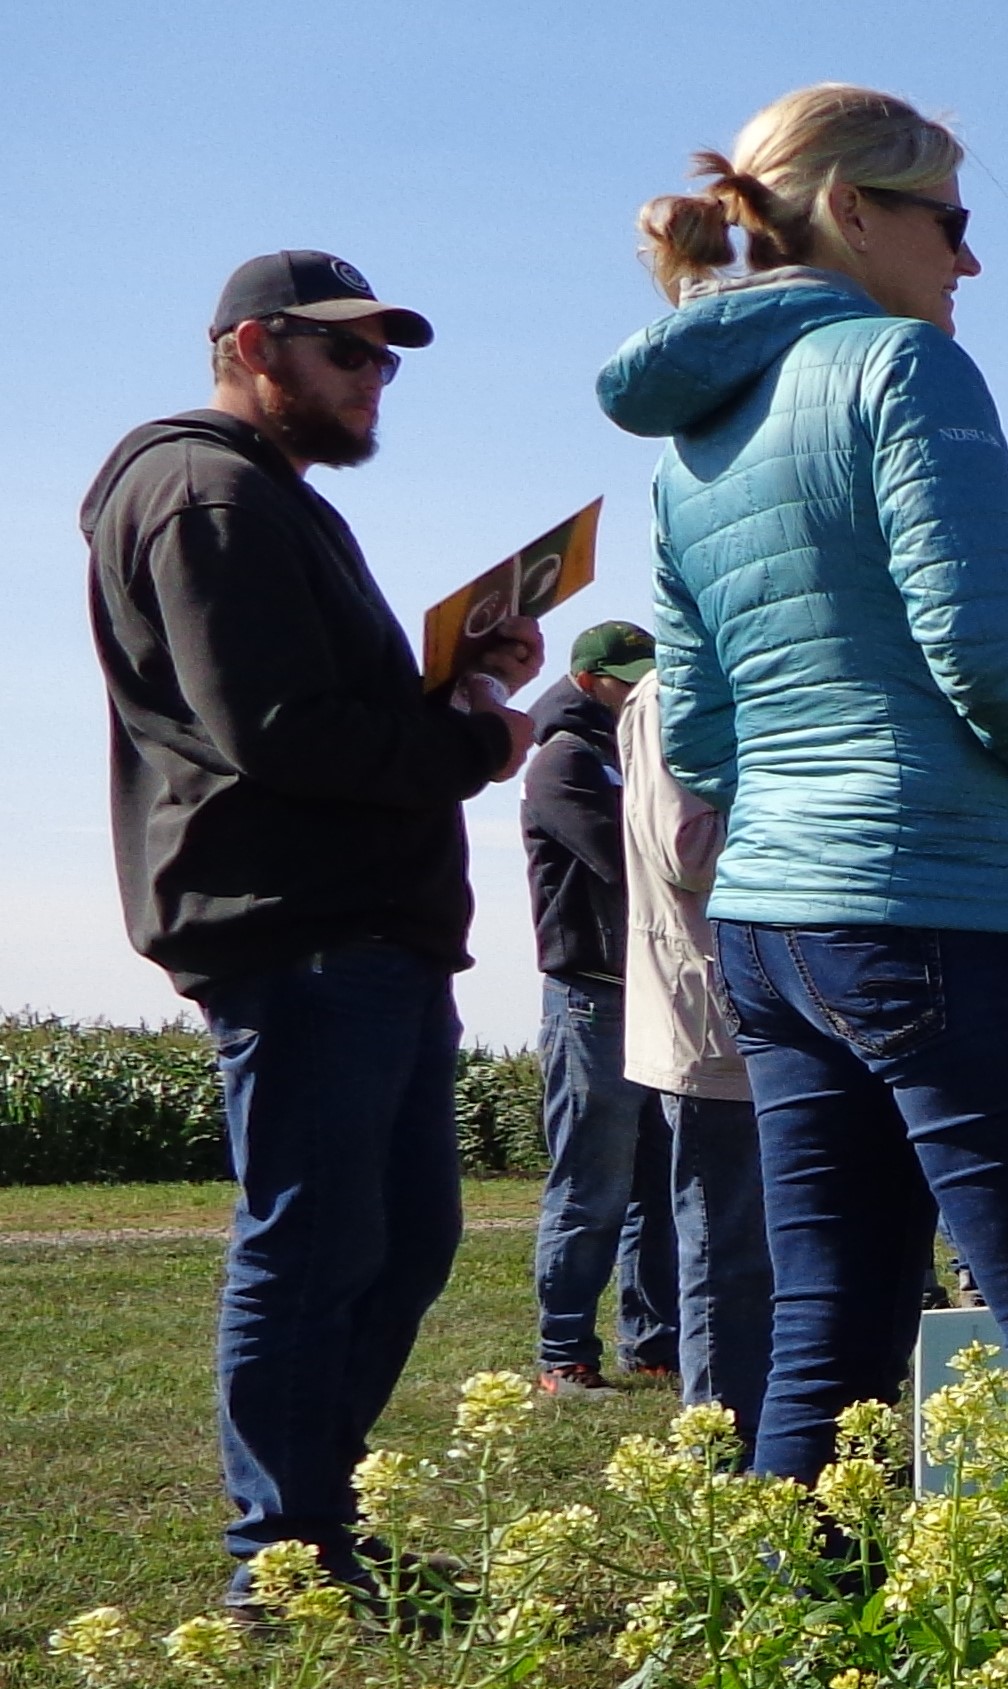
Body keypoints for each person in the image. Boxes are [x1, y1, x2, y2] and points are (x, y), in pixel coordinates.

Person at [602, 85, 1008, 1479]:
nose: (969, 260)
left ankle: (804, 1664)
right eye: (950, 222)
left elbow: (706, 732)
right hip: (939, 905)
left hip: (777, 926)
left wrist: (787, 815)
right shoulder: (905, 370)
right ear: (854, 209)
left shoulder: (697, 438)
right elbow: (980, 646)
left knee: (827, 1331)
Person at [84, 249, 539, 1604]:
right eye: (346, 353)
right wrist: (474, 747)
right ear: (249, 347)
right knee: (316, 1237)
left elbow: (306, 710)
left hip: (358, 928)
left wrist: (457, 683)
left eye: (385, 358)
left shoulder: (264, 498)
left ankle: (316, 1525)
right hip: (300, 929)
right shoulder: (208, 492)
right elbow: (276, 732)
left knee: (398, 1236)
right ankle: (278, 1557)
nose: (373, 378)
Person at [616, 668, 774, 1436]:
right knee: (725, 1241)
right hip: (711, 1011)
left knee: (777, 1242)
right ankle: (720, 1438)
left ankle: (773, 1425)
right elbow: (690, 850)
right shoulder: (666, 695)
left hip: (779, 1007)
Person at [523, 620, 679, 1397]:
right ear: (589, 681)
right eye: (629, 678)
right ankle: (563, 1355)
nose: (643, 690)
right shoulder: (564, 763)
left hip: (648, 994)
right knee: (592, 1184)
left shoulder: (633, 755)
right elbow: (629, 862)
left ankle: (651, 1343)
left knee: (661, 1179)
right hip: (590, 998)